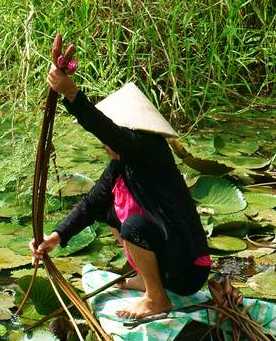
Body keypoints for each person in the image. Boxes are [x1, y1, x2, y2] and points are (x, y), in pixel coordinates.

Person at [31, 48, 213, 319]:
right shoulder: (121, 164)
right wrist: (54, 238)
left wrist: (72, 94)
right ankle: (146, 277)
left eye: (113, 137)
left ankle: (156, 298)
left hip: (186, 269)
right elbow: (91, 203)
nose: (106, 145)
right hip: (168, 265)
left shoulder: (150, 150)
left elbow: (105, 130)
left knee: (134, 226)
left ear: (127, 132)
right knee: (107, 210)